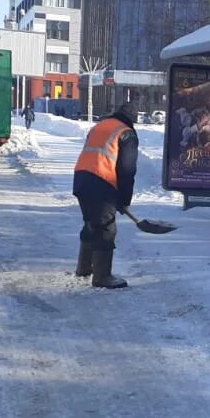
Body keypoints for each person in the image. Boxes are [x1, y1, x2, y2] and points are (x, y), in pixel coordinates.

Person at [72, 103, 140, 289]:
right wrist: (124, 200)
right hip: (101, 180)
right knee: (106, 228)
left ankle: (84, 267)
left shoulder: (100, 126)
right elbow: (127, 170)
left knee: (91, 222)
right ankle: (102, 276)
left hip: (81, 178)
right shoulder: (126, 133)